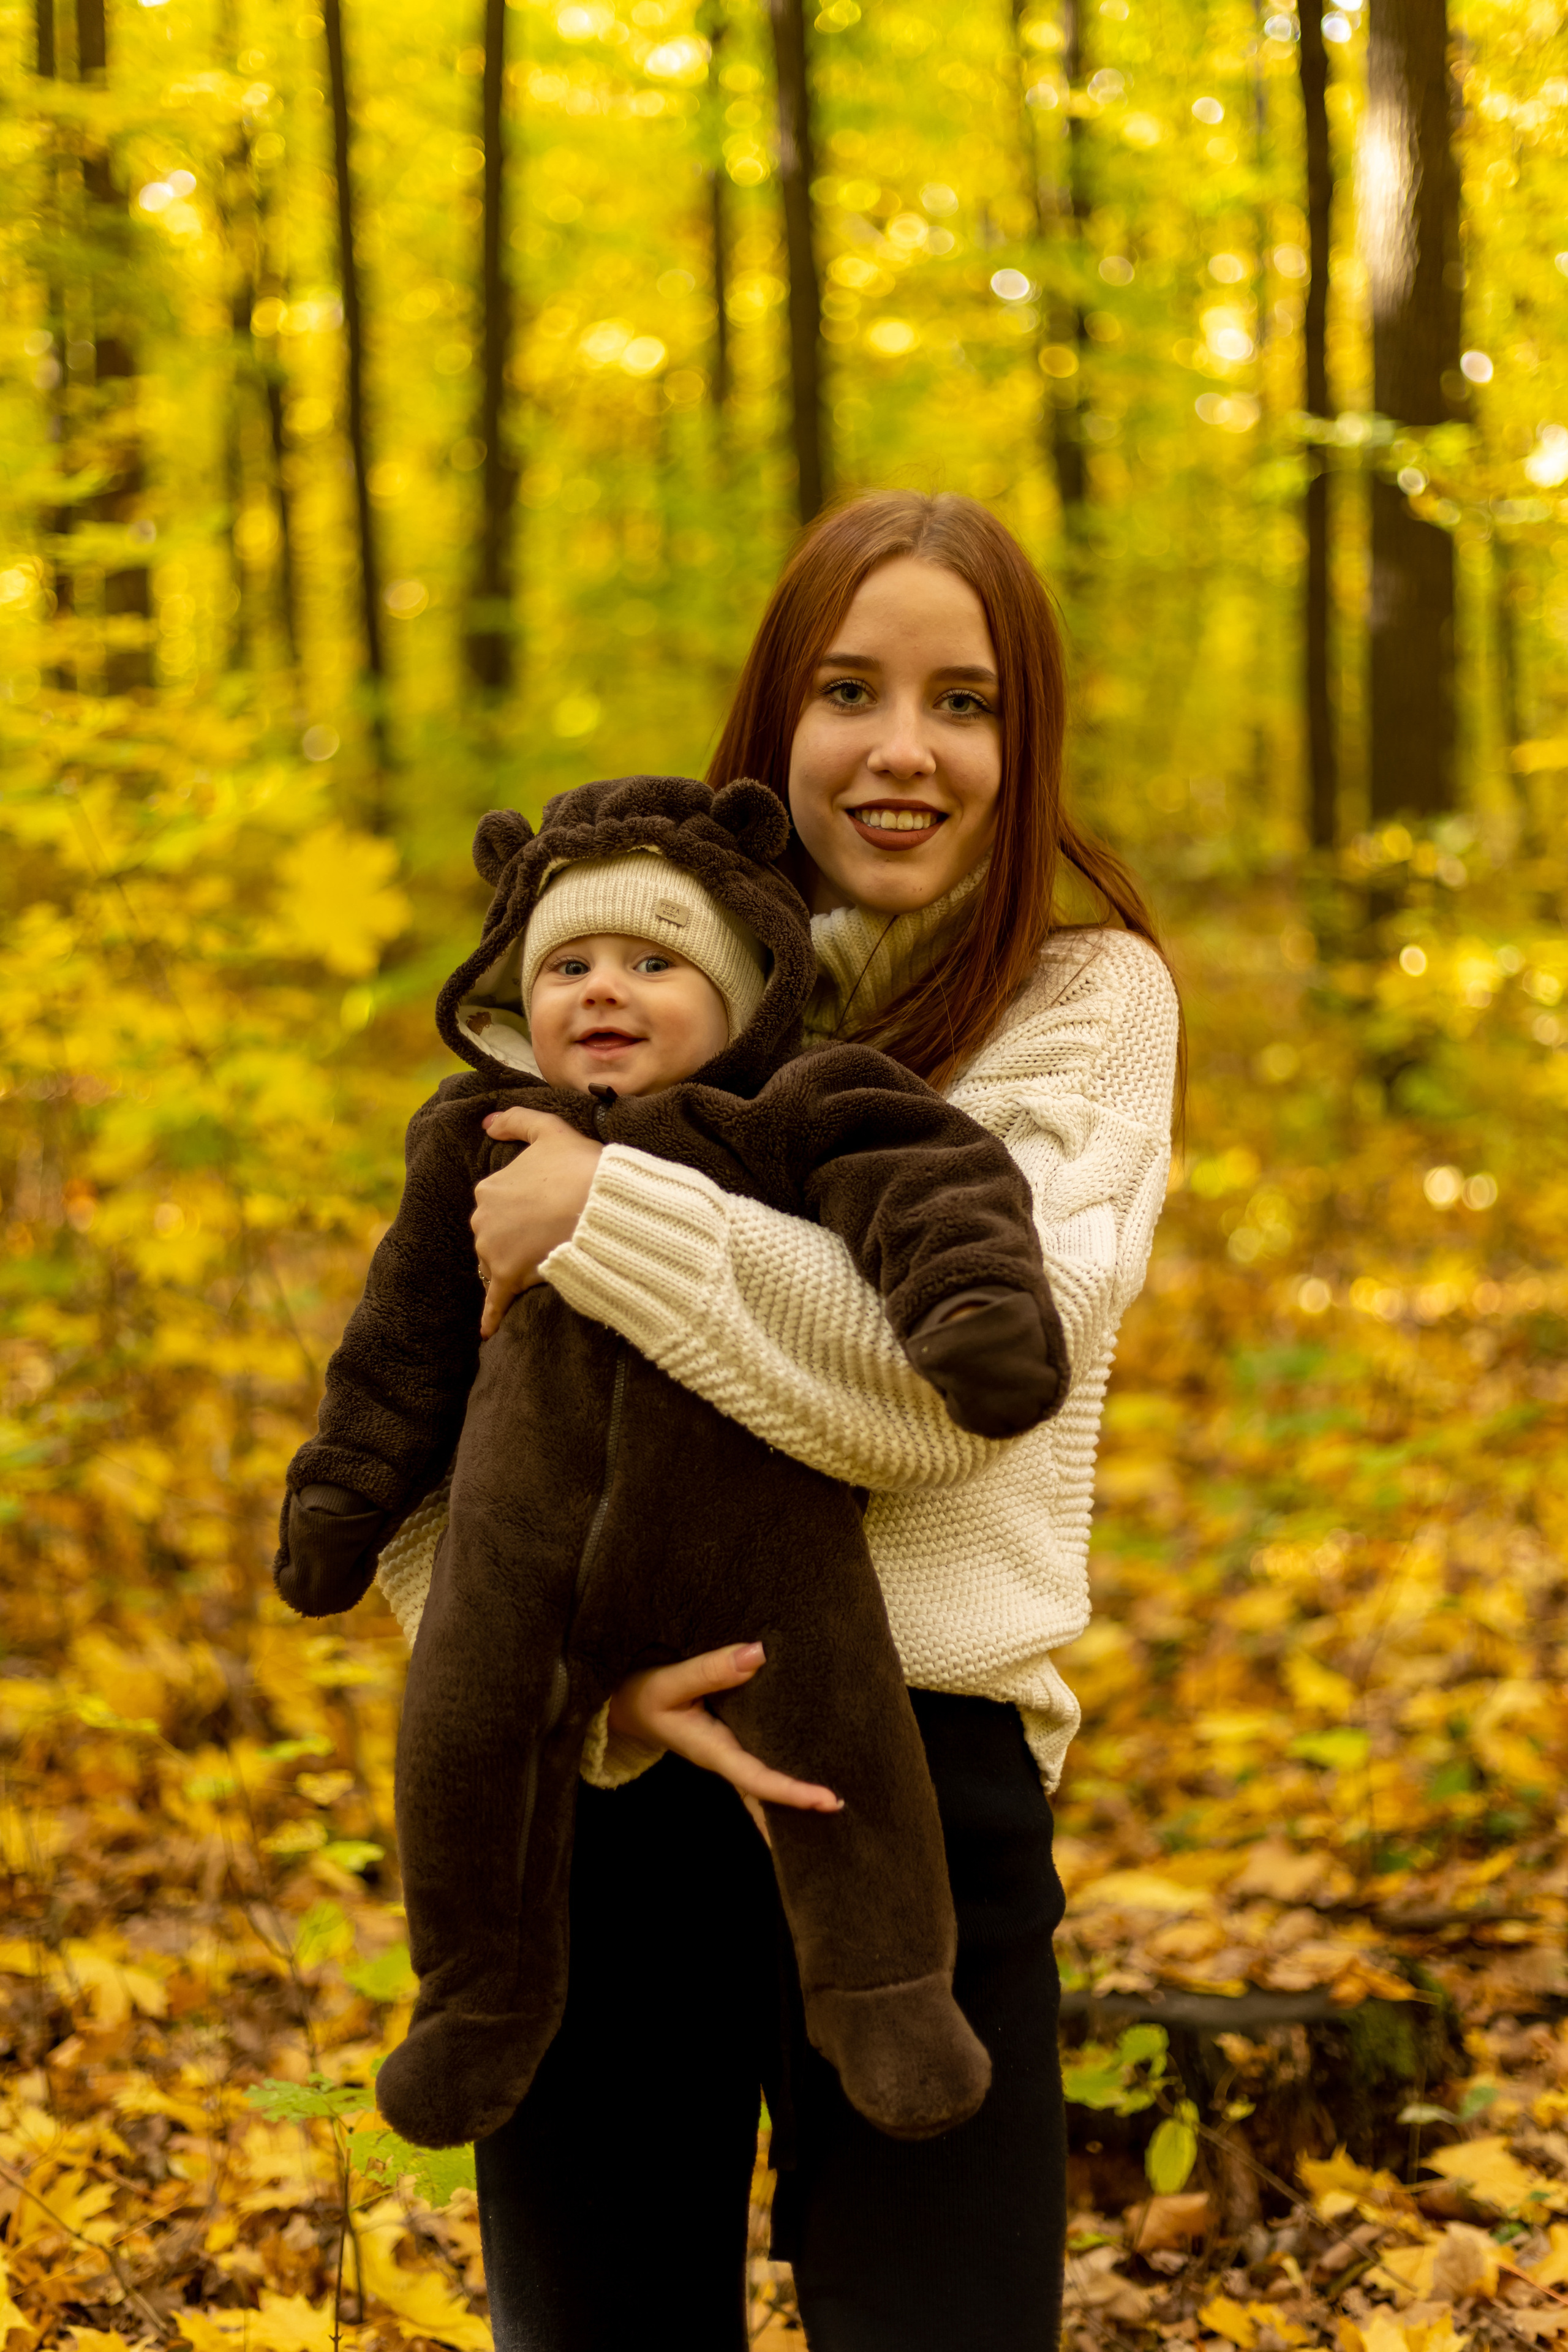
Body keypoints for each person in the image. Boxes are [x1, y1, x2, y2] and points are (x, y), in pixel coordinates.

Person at [413, 492, 1182, 2349]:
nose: (905, 748)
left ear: (1027, 740)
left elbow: (975, 1391)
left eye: (965, 701)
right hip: (609, 1806)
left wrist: (612, 1216)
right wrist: (591, 1707)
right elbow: (440, 1451)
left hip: (926, 1790)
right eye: (850, 689)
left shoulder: (1085, 1006)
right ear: (775, 727)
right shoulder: (616, 984)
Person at [273, 769, 1068, 2154]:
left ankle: (884, 1986)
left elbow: (926, 1178)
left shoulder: (779, 1109)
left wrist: (972, 1309)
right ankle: (475, 2001)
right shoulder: (468, 1142)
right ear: (513, 997)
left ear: (745, 983)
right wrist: (343, 1493)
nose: (604, 989)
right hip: (521, 1560)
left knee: (842, 1753)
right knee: (461, 1745)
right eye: (568, 963)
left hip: (755, 1553)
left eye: (654, 961)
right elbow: (399, 1345)